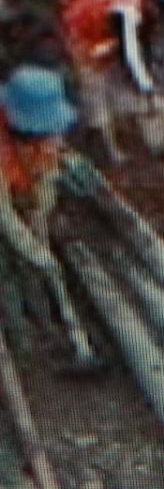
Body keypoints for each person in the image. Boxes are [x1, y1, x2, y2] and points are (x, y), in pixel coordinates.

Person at [0, 65, 101, 369]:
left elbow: (44, 188)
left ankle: (49, 323)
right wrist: (35, 253)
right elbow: (5, 220)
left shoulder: (45, 135)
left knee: (37, 260)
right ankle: (21, 340)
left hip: (22, 185)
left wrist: (39, 230)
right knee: (7, 269)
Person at [58, 0, 161, 163]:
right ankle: (108, 149)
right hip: (82, 39)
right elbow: (130, 50)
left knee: (104, 87)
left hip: (92, 35)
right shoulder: (127, 5)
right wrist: (145, 84)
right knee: (96, 93)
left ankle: (101, 137)